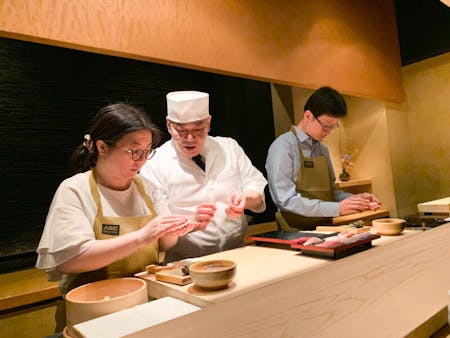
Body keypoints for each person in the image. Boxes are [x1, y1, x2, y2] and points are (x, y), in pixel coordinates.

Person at [36, 102, 216, 298]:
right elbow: (71, 260)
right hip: (93, 305)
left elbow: (165, 244)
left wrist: (180, 227)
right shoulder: (75, 190)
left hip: (146, 297)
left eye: (147, 151)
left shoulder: (148, 188)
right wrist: (141, 237)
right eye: (134, 151)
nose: (141, 160)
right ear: (102, 147)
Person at [139, 91, 267, 262]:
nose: (190, 138)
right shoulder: (155, 163)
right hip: (186, 262)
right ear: (169, 125)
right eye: (181, 131)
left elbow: (256, 191)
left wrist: (245, 199)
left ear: (208, 123)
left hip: (238, 253)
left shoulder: (229, 148)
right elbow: (159, 227)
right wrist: (191, 222)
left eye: (198, 130)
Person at [265, 86, 381, 230]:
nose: (328, 132)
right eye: (325, 126)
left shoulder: (323, 149)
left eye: (333, 127)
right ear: (308, 115)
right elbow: (286, 200)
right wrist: (337, 208)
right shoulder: (283, 146)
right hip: (295, 230)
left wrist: (354, 199)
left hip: (326, 226)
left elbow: (330, 193)